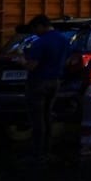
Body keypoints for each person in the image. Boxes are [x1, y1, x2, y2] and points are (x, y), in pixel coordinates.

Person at [20, 14, 71, 159]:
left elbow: (32, 66)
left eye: (35, 29)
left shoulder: (40, 43)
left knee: (37, 118)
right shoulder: (63, 39)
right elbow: (68, 59)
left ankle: (38, 150)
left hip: (38, 82)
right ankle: (48, 148)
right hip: (55, 82)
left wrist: (21, 60)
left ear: (41, 26)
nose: (35, 32)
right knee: (48, 115)